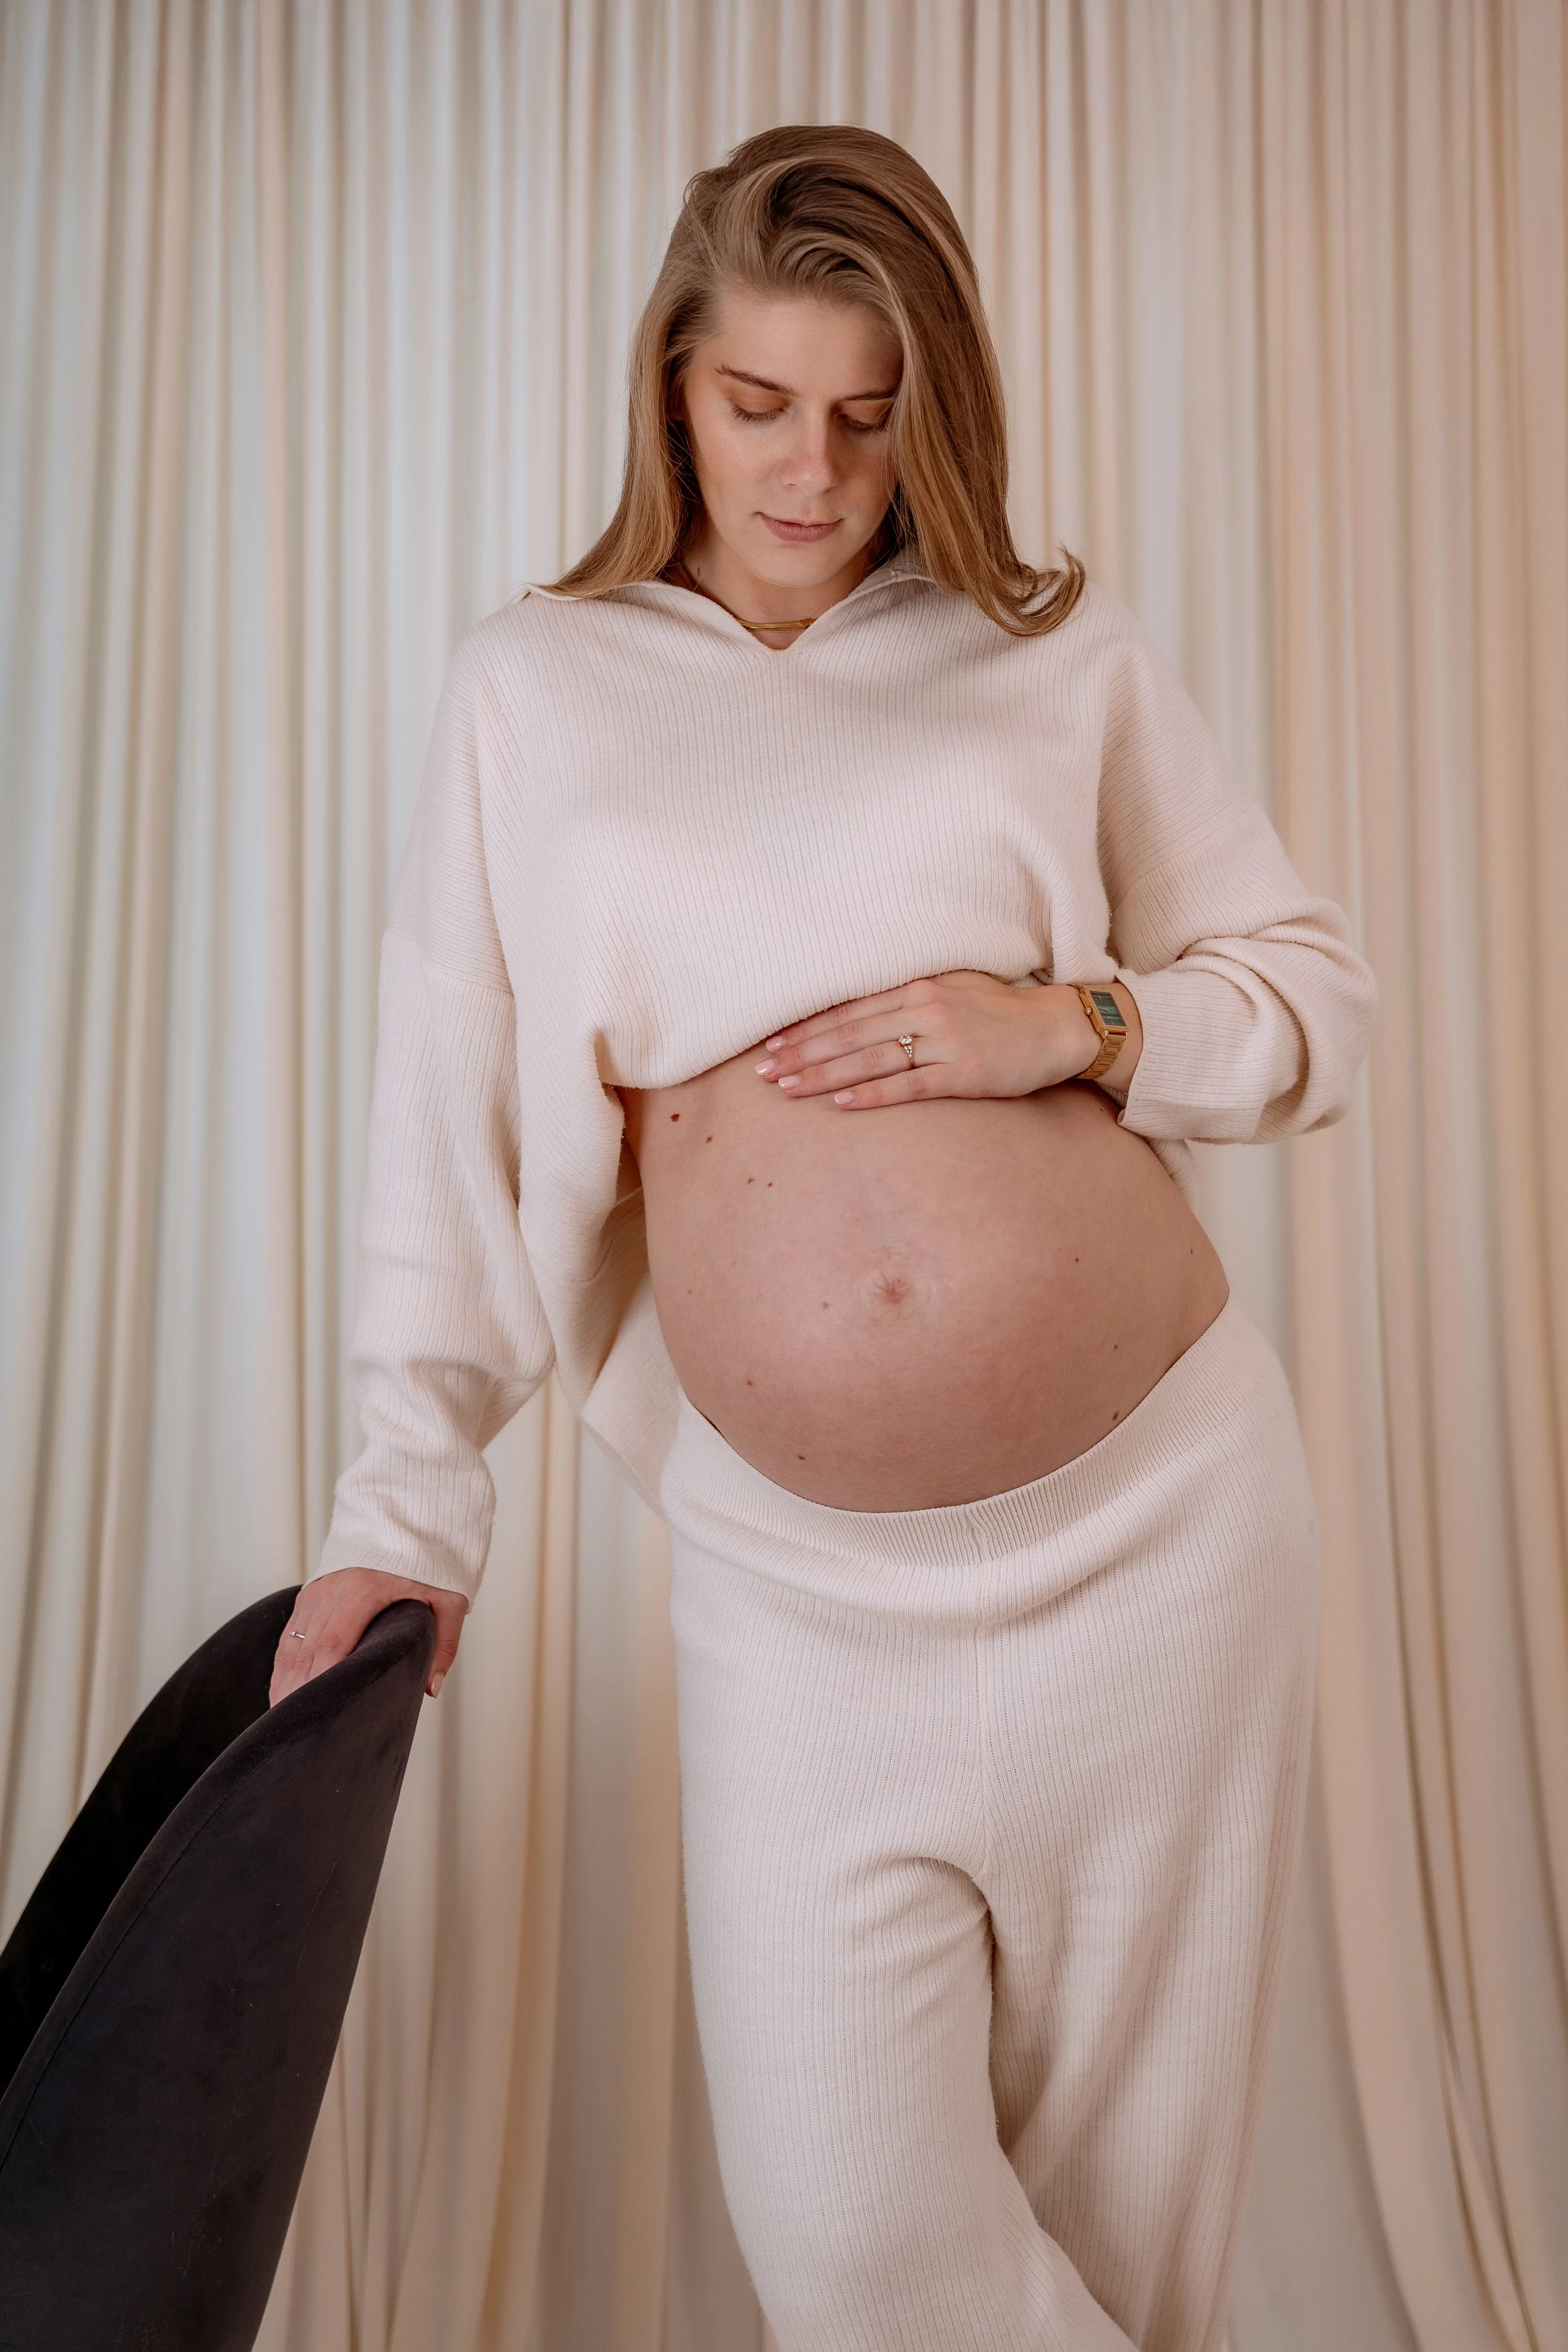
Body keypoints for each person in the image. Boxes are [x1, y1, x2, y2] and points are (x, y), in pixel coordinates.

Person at [271, 124, 1375, 2352]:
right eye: (756, 402)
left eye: (867, 415)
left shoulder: (1045, 654)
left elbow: (1313, 1000)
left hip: (1159, 1534)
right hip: (803, 1598)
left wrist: (1067, 1018)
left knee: (1119, 2242)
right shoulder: (537, 685)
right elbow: (445, 1118)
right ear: (669, 383)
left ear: (931, 405)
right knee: (868, 2261)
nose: (808, 467)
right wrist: (406, 1507)